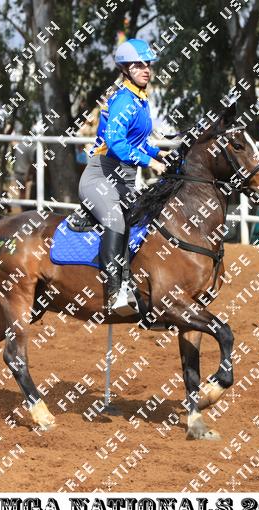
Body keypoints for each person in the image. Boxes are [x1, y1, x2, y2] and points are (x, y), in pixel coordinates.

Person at [78, 38, 170, 315]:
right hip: (100, 177)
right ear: (125, 69)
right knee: (115, 219)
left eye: (148, 64)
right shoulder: (123, 100)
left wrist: (160, 153)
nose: (146, 69)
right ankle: (115, 292)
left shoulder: (141, 100)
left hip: (124, 180)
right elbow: (116, 143)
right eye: (139, 65)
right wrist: (150, 162)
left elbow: (138, 141)